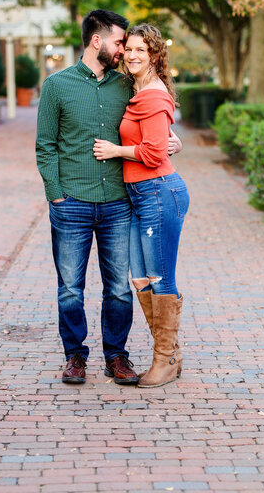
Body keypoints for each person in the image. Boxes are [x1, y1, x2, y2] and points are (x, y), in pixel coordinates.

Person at [36, 10, 181, 386]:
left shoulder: (126, 85)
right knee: (70, 287)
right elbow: (45, 146)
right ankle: (74, 357)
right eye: (120, 42)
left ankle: (116, 356)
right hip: (72, 203)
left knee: (119, 287)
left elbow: (154, 119)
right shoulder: (57, 85)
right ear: (96, 41)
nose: (123, 51)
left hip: (119, 203)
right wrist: (55, 195)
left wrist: (172, 142)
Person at [93, 23, 190, 388]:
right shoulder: (138, 89)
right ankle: (172, 352)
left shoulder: (152, 94)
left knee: (161, 277)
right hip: (140, 195)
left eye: (141, 50)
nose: (133, 55)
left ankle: (164, 361)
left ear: (154, 55)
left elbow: (151, 154)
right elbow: (160, 137)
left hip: (158, 192)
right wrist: (171, 138)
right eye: (129, 49)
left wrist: (116, 150)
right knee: (139, 277)